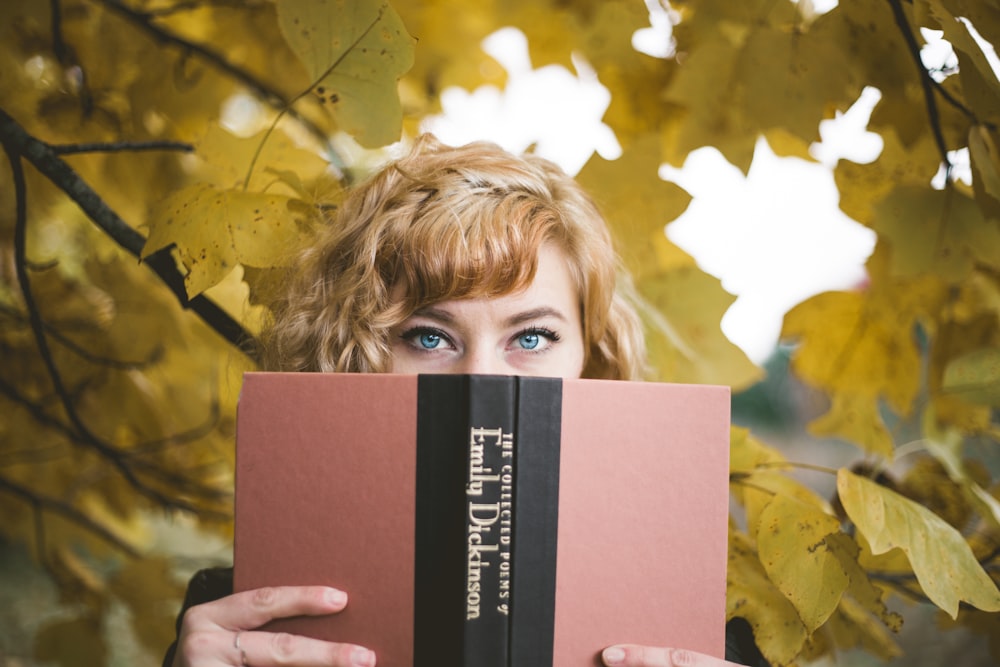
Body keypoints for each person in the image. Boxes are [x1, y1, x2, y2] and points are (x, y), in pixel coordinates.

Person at [164, 134, 767, 667]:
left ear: (592, 358)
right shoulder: (236, 624)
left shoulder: (705, 636)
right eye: (430, 337)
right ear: (355, 352)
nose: (482, 379)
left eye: (532, 337)